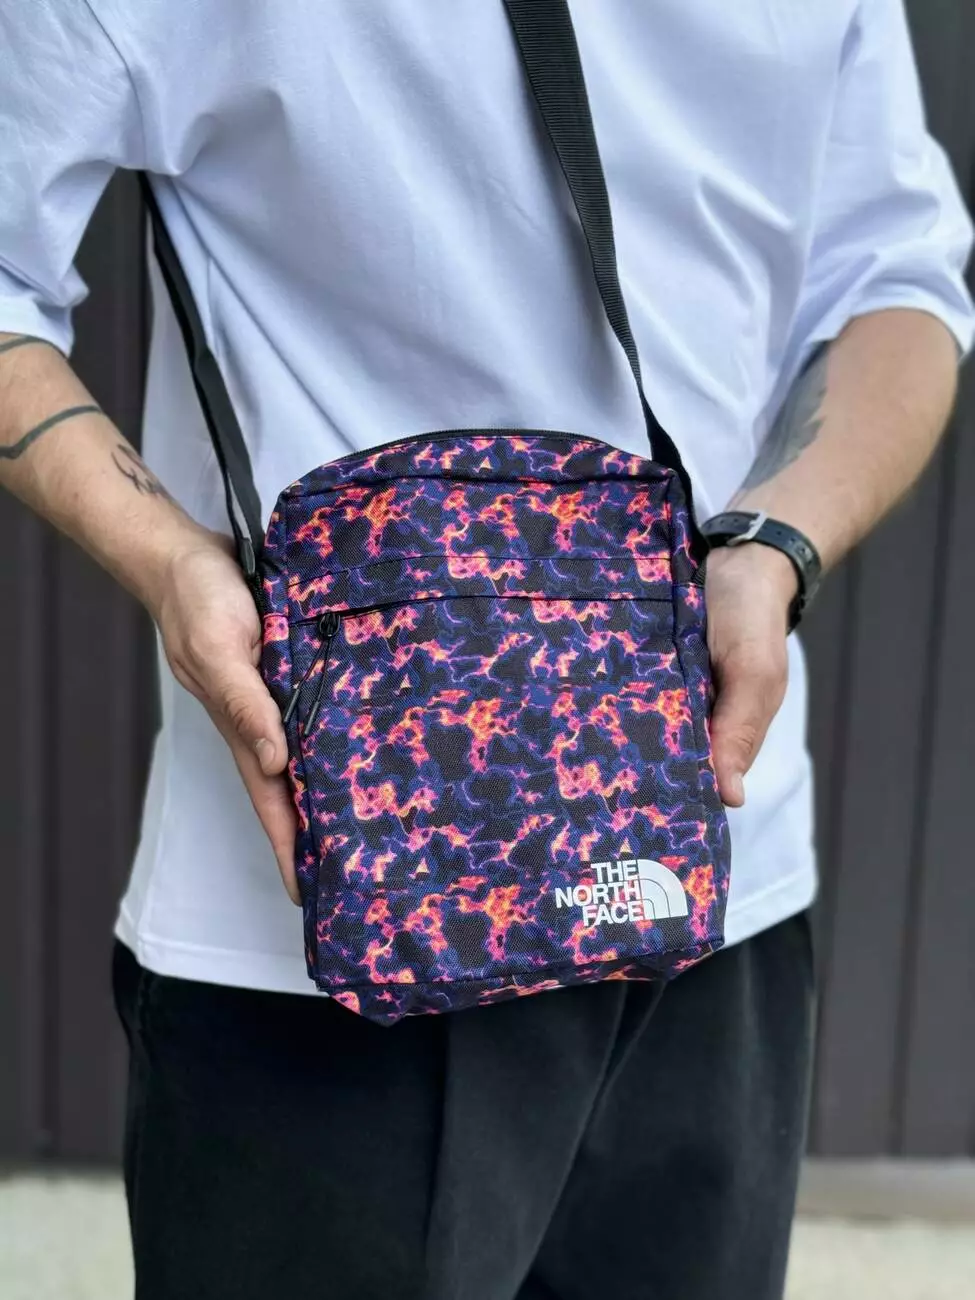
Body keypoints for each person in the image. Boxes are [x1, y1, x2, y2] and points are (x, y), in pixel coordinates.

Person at [1, 2, 971, 1297]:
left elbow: (892, 276)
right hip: (320, 920)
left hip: (708, 869)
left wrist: (775, 543)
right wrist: (170, 559)